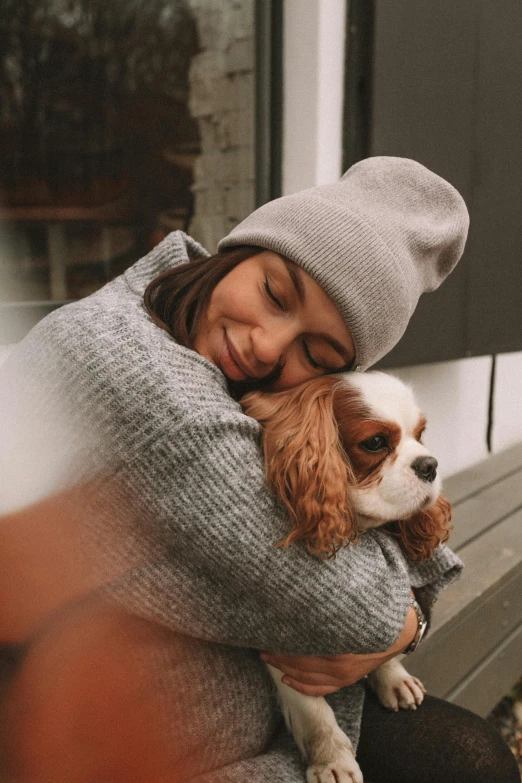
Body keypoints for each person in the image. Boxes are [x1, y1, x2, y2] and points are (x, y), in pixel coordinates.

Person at [0, 157, 518, 783]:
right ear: (241, 249)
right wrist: (400, 623)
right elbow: (349, 605)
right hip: (123, 740)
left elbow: (412, 557)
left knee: (470, 759)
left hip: (262, 707)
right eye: (275, 294)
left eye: (316, 353)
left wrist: (406, 627)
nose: (267, 347)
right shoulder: (131, 370)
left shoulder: (205, 346)